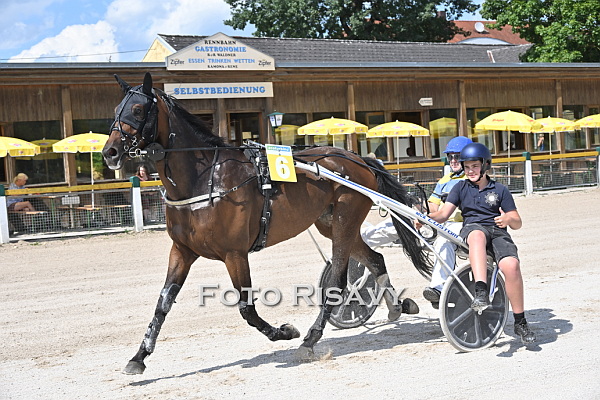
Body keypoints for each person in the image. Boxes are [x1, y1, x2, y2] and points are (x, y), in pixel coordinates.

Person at [428, 142, 536, 344]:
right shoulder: (460, 188)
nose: (470, 171)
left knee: (511, 266)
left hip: (498, 232)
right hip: (474, 229)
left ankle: (520, 321)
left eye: (475, 166)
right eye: (467, 167)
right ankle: (480, 291)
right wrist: (424, 218)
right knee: (477, 235)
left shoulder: (500, 190)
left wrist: (508, 219)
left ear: (486, 165)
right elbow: (443, 215)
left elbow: (517, 222)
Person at [421, 136, 472, 309]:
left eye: (457, 156)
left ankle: (439, 287)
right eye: (450, 157)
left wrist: (432, 218)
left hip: (462, 225)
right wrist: (423, 216)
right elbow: (432, 205)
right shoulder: (444, 180)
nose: (453, 160)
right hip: (441, 223)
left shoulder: (471, 177)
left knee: (443, 239)